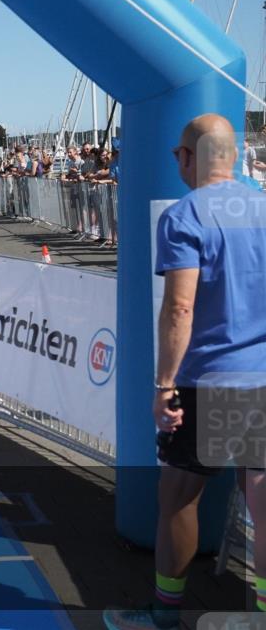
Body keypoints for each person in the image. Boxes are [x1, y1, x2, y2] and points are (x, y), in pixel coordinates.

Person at [104, 114, 266, 630]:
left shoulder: (186, 214)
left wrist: (163, 385)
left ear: (188, 157)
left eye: (178, 154)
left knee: (177, 498)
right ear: (236, 156)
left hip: (212, 381)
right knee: (262, 503)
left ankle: (165, 615)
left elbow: (179, 308)